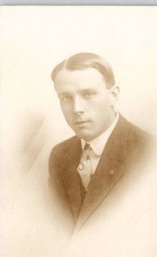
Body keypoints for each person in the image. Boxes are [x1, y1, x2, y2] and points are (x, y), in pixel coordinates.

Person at [48, 52, 150, 231]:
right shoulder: (59, 155)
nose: (76, 109)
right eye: (66, 98)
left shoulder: (149, 152)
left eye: (88, 94)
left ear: (113, 95)